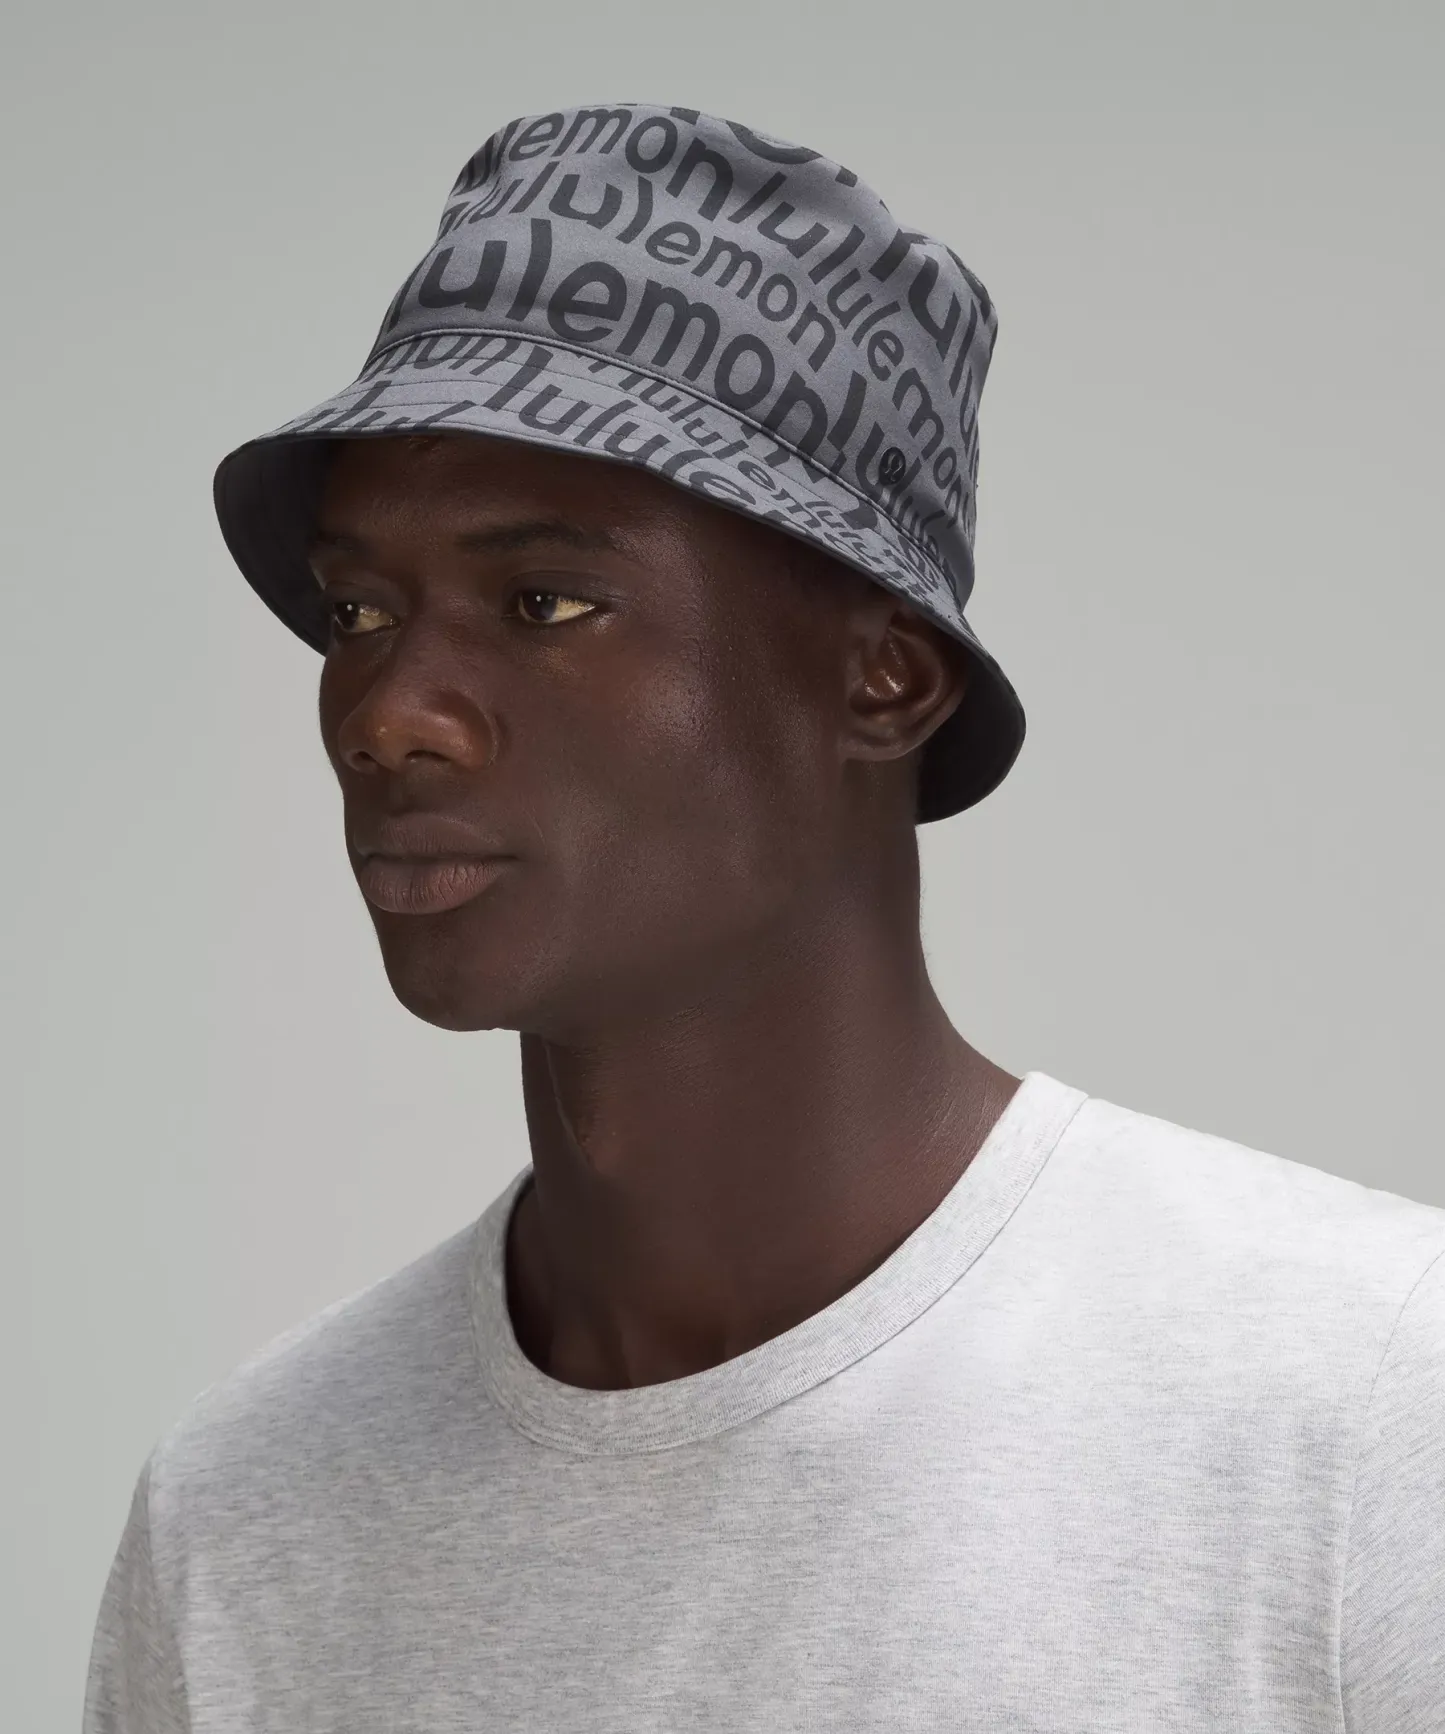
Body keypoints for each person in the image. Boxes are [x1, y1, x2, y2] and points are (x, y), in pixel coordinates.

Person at [84, 102, 1443, 1732]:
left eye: (544, 601)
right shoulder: (245, 1518)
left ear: (886, 678)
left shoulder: (1366, 1408)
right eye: (361, 608)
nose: (389, 714)